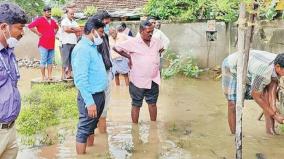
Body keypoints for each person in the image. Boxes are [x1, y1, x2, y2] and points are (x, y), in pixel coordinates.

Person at [222, 50, 284, 135]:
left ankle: (270, 131)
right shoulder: (263, 71)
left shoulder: (278, 60)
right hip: (233, 67)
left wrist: (273, 105)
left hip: (250, 67)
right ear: (277, 67)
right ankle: (235, 135)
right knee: (233, 103)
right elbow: (255, 95)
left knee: (266, 94)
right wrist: (275, 115)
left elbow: (273, 82)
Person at [113, 21, 164, 123]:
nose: (151, 34)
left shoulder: (156, 41)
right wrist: (129, 57)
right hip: (137, 80)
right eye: (148, 31)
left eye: (152, 31)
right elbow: (116, 48)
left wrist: (152, 58)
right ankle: (135, 128)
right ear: (141, 31)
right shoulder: (133, 42)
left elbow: (161, 49)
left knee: (153, 103)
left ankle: (153, 126)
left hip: (153, 79)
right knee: (136, 104)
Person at [71, 18, 107, 154]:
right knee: (84, 129)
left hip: (99, 94)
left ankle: (91, 153)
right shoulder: (82, 49)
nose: (102, 35)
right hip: (90, 96)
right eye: (101, 32)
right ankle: (81, 155)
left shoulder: (92, 46)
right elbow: (80, 79)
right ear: (93, 31)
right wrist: (90, 102)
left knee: (92, 126)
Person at [0, 2, 27, 158]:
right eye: (19, 27)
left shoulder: (9, 53)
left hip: (10, 130)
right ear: (4, 27)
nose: (22, 33)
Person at [92, 11, 113, 133]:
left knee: (104, 107)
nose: (106, 26)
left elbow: (107, 54)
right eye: (105, 23)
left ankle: (103, 136)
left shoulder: (104, 36)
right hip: (98, 75)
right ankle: (96, 134)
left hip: (107, 72)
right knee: (95, 108)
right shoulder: (92, 40)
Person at [28, 6, 58, 81]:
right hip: (43, 44)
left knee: (50, 61)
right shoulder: (40, 20)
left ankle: (50, 76)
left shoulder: (52, 21)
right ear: (44, 12)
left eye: (50, 11)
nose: (49, 13)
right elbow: (30, 26)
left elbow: (57, 27)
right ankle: (43, 76)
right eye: (48, 12)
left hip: (51, 44)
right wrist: (37, 33)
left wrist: (54, 33)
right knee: (43, 60)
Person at [60, 8, 81, 80]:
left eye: (73, 14)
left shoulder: (74, 22)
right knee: (65, 60)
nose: (72, 15)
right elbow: (66, 30)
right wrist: (74, 30)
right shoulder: (64, 21)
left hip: (73, 43)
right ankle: (63, 75)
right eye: (71, 14)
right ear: (67, 14)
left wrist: (71, 28)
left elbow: (79, 29)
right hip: (66, 42)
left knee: (72, 59)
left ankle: (69, 74)